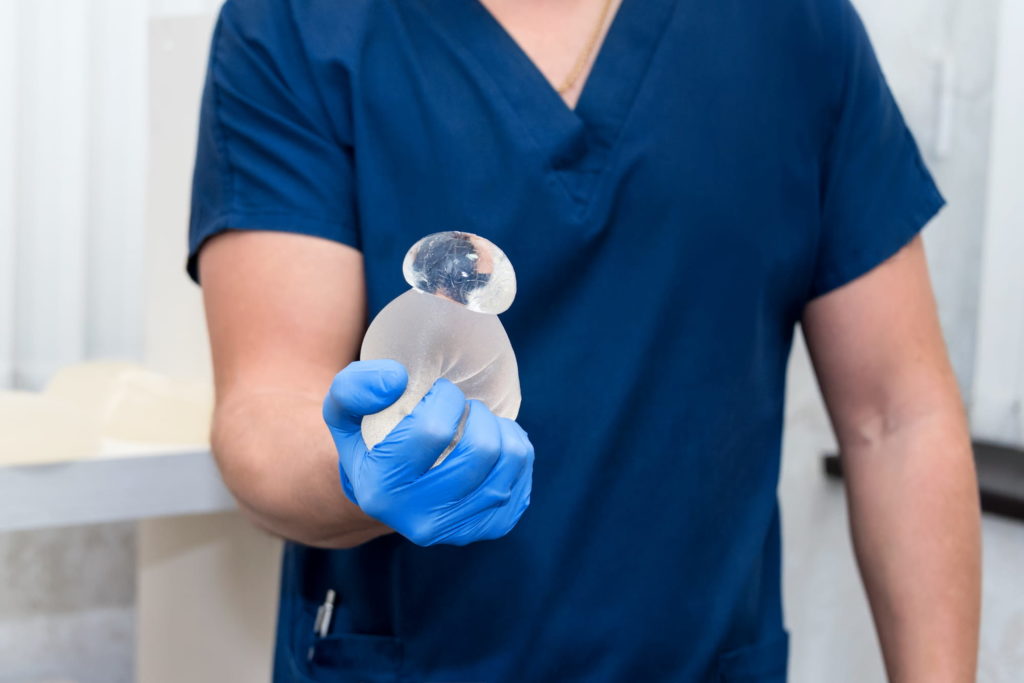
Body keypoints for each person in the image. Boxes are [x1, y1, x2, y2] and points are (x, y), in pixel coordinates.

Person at [188, 0, 981, 680]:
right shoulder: (300, 23)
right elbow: (267, 404)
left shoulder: (790, 28)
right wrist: (360, 470)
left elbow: (897, 417)